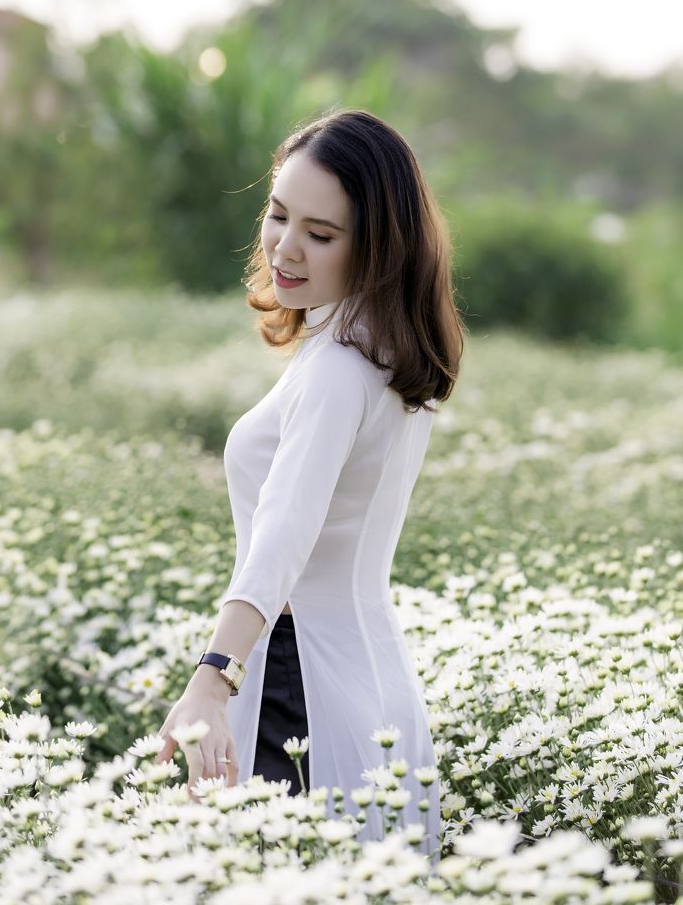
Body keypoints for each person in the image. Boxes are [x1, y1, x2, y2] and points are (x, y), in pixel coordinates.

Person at [156, 108, 464, 865]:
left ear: (378, 246)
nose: (285, 248)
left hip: (299, 692)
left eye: (320, 234)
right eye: (278, 214)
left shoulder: (335, 369)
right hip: (377, 681)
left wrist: (211, 680)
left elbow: (283, 537)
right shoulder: (380, 351)